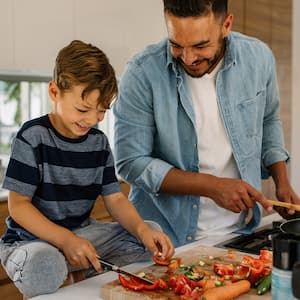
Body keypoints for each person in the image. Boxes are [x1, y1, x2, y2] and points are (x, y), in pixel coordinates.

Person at [113, 0, 300, 248]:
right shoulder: (142, 73)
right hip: (161, 239)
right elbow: (130, 163)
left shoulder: (258, 58)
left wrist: (282, 182)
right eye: (176, 45)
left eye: (201, 45)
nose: (188, 58)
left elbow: (268, 119)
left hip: (239, 233)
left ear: (227, 25)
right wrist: (211, 186)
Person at [0, 40, 174, 298]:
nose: (92, 120)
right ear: (54, 92)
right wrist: (65, 241)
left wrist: (142, 230)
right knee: (44, 265)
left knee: (150, 235)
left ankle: (77, 267)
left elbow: (114, 198)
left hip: (82, 234)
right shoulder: (32, 136)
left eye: (102, 111)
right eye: (83, 109)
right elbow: (19, 206)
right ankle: (72, 268)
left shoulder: (99, 142)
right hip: (31, 240)